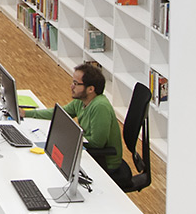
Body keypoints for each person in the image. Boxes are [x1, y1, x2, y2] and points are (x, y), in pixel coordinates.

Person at [25, 61, 133, 189]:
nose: (71, 86)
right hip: (88, 152)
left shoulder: (100, 107)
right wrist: (26, 113)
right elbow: (59, 113)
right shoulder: (81, 101)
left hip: (104, 161)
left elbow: (97, 143)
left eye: (76, 84)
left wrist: (69, 139)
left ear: (90, 89)